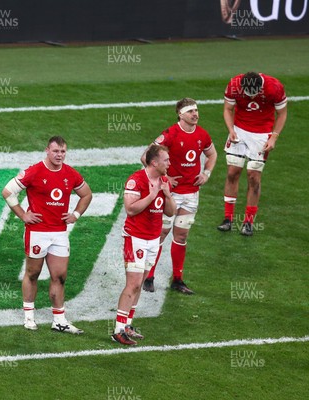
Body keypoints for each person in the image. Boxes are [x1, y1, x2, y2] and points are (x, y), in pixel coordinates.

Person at [2, 136, 92, 335]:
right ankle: (29, 317)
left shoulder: (70, 174)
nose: (59, 155)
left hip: (59, 233)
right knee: (32, 274)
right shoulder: (34, 171)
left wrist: (76, 214)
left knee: (59, 277)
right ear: (47, 151)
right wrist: (23, 214)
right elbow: (8, 192)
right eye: (55, 151)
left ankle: (59, 320)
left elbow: (87, 194)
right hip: (37, 232)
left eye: (62, 151)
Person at [142, 98, 217, 295]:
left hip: (191, 194)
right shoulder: (170, 134)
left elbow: (212, 155)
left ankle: (177, 279)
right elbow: (146, 157)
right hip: (170, 195)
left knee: (181, 235)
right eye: (191, 111)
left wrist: (206, 174)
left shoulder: (202, 134)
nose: (195, 114)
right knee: (162, 233)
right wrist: (164, 177)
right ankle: (149, 276)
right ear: (180, 114)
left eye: (197, 110)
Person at [112, 144, 176, 346]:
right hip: (135, 238)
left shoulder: (164, 181)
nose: (169, 163)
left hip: (153, 239)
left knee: (141, 282)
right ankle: (118, 329)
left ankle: (128, 324)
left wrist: (166, 194)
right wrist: (151, 194)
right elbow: (130, 210)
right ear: (154, 162)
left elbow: (171, 212)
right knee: (133, 283)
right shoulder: (136, 180)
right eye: (166, 160)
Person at [217, 72, 287, 236]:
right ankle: (228, 219)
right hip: (239, 130)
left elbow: (282, 113)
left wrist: (274, 137)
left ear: (260, 87)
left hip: (262, 134)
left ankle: (248, 222)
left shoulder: (274, 87)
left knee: (253, 177)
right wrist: (231, 129)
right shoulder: (234, 85)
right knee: (232, 173)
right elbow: (228, 109)